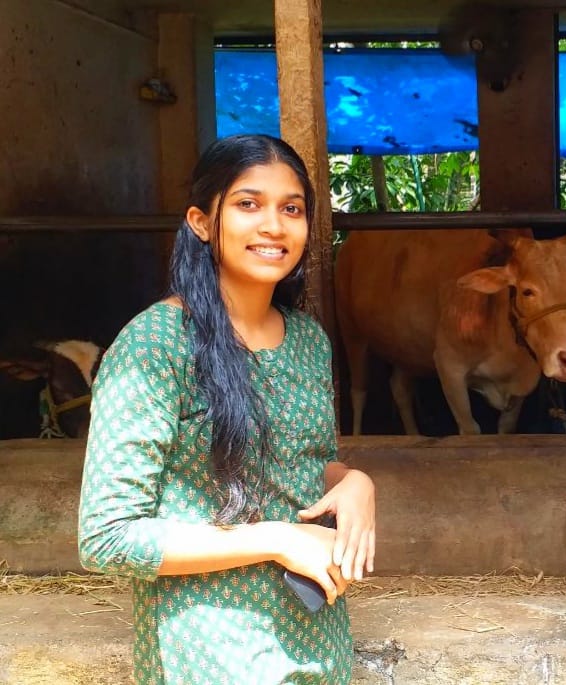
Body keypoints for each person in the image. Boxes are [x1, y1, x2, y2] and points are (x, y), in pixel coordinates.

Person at [78, 134, 376, 684]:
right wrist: (276, 538)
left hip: (319, 643)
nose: (274, 225)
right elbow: (108, 538)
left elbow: (303, 465)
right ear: (200, 221)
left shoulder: (308, 339)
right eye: (248, 204)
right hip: (211, 653)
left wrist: (353, 480)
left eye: (292, 208)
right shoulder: (154, 345)